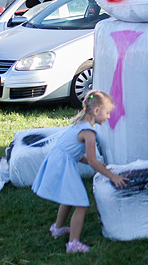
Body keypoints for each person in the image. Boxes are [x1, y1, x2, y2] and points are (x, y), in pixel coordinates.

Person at [32, 90, 127, 253]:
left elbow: (74, 152)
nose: (109, 117)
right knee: (82, 204)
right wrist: (112, 176)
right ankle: (73, 244)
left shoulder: (79, 124)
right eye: (108, 112)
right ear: (97, 111)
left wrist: (98, 164)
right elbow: (91, 161)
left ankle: (58, 228)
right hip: (62, 164)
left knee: (69, 197)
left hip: (58, 161)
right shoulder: (89, 132)